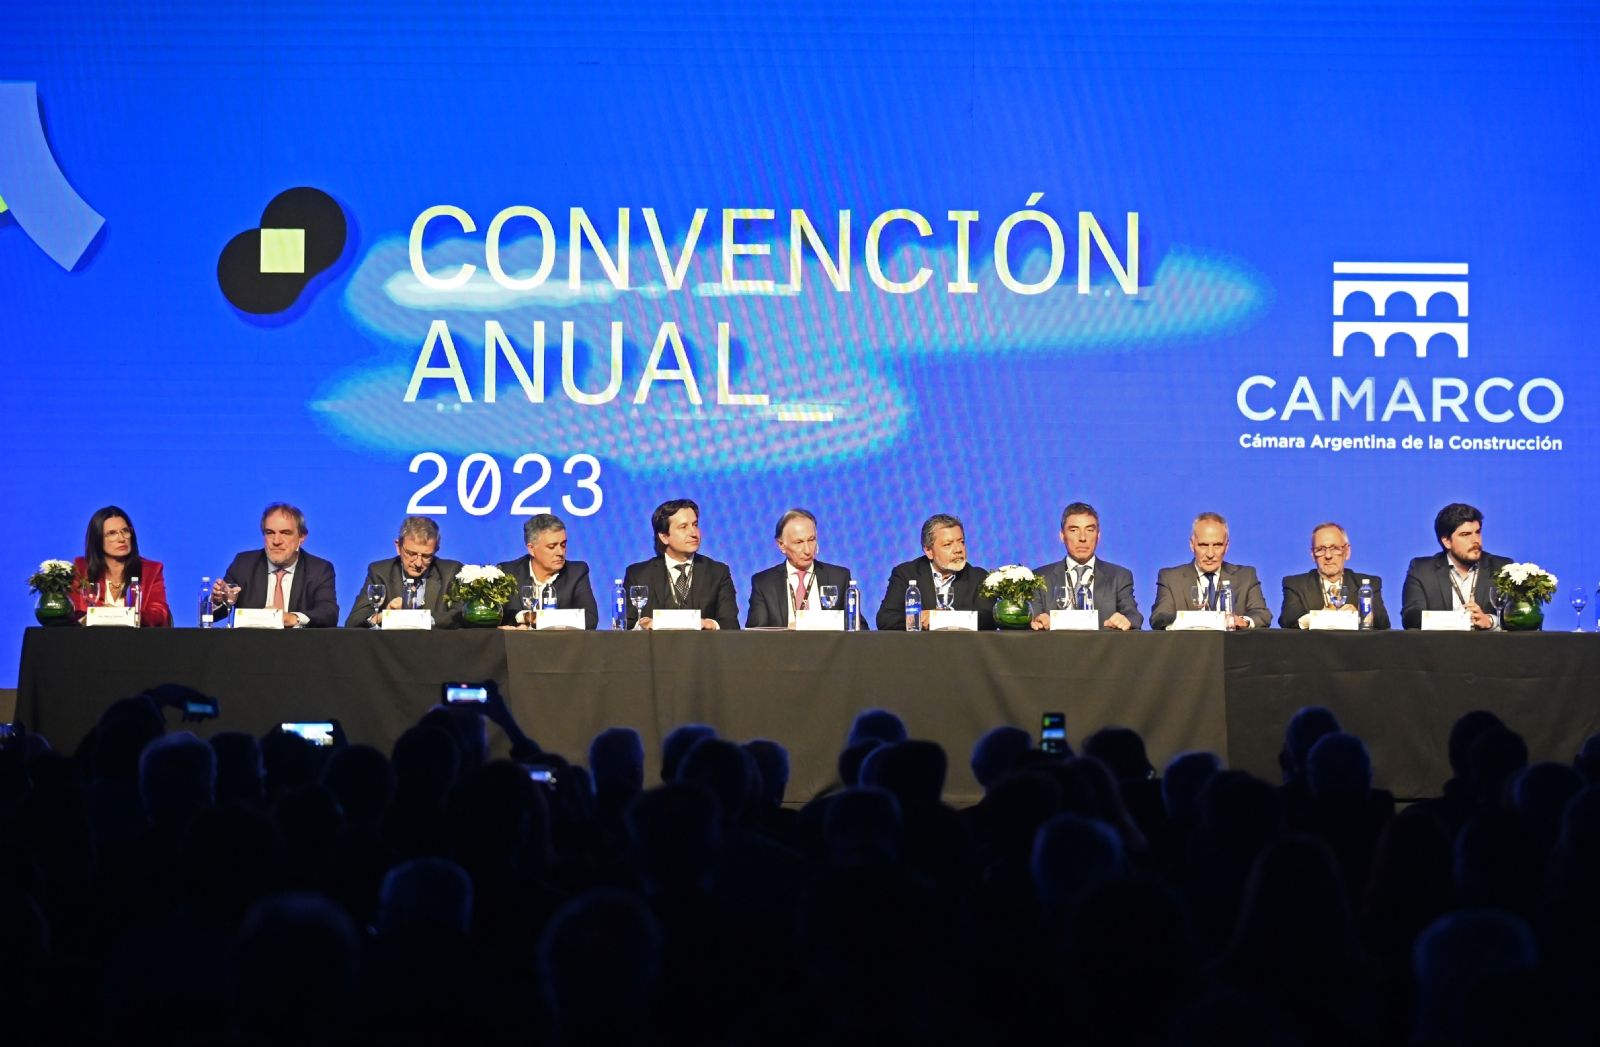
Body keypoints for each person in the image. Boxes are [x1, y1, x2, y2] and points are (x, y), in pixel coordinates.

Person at [212, 502, 339, 627]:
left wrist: (292, 618)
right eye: (270, 533)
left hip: (299, 640)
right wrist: (218, 601)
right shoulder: (244, 564)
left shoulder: (319, 569)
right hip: (251, 640)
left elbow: (328, 614)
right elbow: (213, 615)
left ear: (302, 537)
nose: (276, 541)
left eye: (285, 533)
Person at [621, 499, 739, 630]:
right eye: (683, 527)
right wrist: (642, 624)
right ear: (664, 537)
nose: (694, 533)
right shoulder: (638, 574)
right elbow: (625, 626)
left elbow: (731, 624)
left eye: (695, 525)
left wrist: (710, 624)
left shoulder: (718, 572)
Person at [1026, 502, 1142, 630]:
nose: (1082, 538)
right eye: (1074, 530)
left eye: (1089, 530)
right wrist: (1037, 620)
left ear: (1098, 536)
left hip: (1102, 643)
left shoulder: (1119, 576)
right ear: (1062, 536)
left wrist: (1126, 620)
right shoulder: (1039, 577)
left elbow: (1133, 615)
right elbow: (1032, 616)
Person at [1150, 512, 1271, 629]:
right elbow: (1159, 617)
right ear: (1192, 545)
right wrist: (1192, 620)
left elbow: (1262, 615)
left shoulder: (1246, 576)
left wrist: (1243, 621)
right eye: (1203, 545)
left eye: (1217, 545)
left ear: (1226, 546)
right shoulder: (1171, 578)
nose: (1210, 554)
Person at [1401, 503, 1513, 630]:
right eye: (1465, 534)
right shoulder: (1422, 570)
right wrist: (1460, 620)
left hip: (1487, 642)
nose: (1475, 540)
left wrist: (1490, 621)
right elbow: (1411, 617)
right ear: (1446, 542)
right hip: (1441, 642)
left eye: (1477, 532)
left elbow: (1516, 616)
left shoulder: (1502, 568)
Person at [745, 508, 862, 628]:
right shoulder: (764, 583)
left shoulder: (838, 577)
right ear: (781, 545)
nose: (807, 550)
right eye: (799, 542)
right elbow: (756, 634)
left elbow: (859, 628)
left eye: (811, 540)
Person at [875, 513, 994, 630]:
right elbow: (886, 619)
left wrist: (942, 619)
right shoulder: (906, 574)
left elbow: (989, 618)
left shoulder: (979, 577)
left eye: (961, 542)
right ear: (929, 551)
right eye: (948, 544)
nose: (958, 549)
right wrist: (919, 619)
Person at [344, 516, 464, 628]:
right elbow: (354, 621)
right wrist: (385, 615)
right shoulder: (380, 572)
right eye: (411, 554)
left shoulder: (450, 572)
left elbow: (461, 615)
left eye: (426, 556)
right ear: (398, 547)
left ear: (436, 550)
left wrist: (419, 619)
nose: (418, 563)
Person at [71, 505, 172, 626]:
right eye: (112, 533)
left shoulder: (151, 570)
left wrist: (121, 615)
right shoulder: (81, 568)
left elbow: (160, 614)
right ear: (97, 538)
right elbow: (74, 613)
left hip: (136, 637)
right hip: (91, 637)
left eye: (125, 531)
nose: (122, 539)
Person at [496, 513, 599, 629]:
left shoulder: (576, 573)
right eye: (552, 546)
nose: (560, 552)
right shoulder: (507, 573)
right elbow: (494, 616)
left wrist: (533, 618)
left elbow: (590, 619)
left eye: (563, 545)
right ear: (531, 549)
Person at [1279, 522, 1390, 629]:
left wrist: (1358, 615)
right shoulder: (1295, 585)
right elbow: (1287, 619)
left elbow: (1383, 621)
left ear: (1347, 552)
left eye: (1335, 548)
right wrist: (1323, 617)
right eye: (1320, 549)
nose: (1328, 556)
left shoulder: (1368, 584)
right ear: (1313, 555)